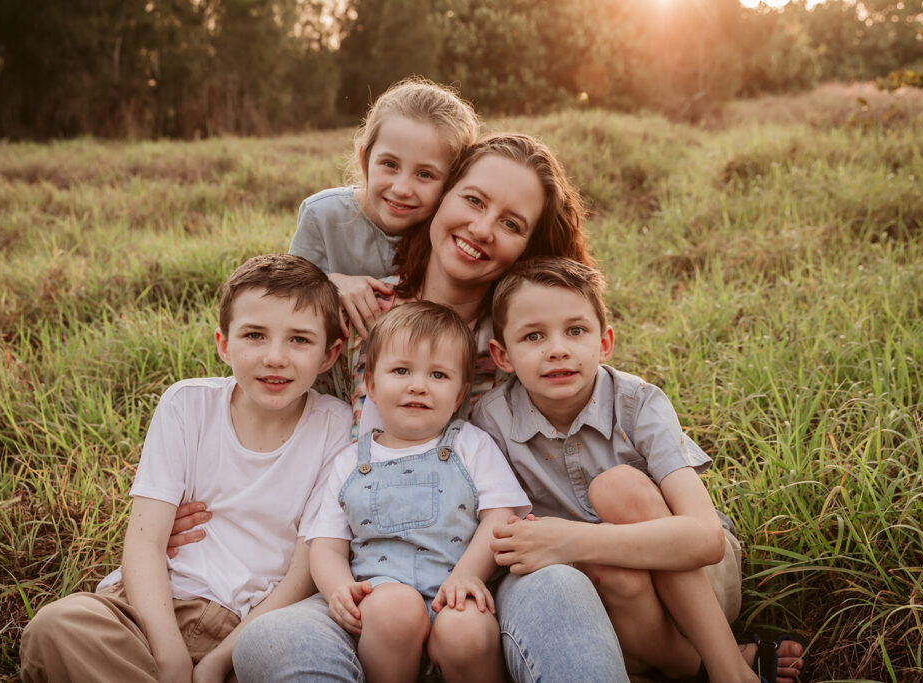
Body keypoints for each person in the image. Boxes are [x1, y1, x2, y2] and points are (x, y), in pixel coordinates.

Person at [223, 133, 629, 682]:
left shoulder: (527, 338)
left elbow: (592, 431)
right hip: (371, 571)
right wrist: (326, 283)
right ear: (441, 198)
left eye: (511, 224)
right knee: (272, 641)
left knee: (559, 590)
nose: (483, 229)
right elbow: (266, 362)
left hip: (491, 570)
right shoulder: (358, 307)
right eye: (474, 201)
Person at [471, 256, 808, 683]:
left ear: (604, 342)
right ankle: (695, 666)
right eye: (533, 335)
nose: (557, 348)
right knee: (604, 571)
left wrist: (572, 539)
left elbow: (704, 541)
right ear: (502, 355)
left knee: (620, 488)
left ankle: (728, 670)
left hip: (697, 581)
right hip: (607, 601)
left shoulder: (638, 402)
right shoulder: (491, 422)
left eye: (575, 331)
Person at [19, 254, 353, 683]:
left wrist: (217, 662)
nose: (275, 357)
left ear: (330, 354)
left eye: (299, 340)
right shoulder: (186, 404)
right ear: (224, 344)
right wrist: (171, 657)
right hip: (151, 608)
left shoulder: (337, 427)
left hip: (251, 625)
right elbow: (144, 543)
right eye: (254, 335)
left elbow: (304, 573)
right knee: (57, 627)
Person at [308, 302, 531, 682]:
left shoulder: (470, 445)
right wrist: (339, 589)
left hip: (455, 589)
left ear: (460, 394)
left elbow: (500, 515)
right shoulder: (350, 461)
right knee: (395, 609)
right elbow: (325, 544)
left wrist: (467, 576)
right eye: (401, 371)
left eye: (438, 375)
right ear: (373, 386)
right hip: (380, 605)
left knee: (469, 630)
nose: (418, 385)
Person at [289, 77, 479, 338]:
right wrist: (330, 284)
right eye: (389, 164)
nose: (401, 188)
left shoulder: (447, 233)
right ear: (365, 160)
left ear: (451, 183)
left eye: (425, 174)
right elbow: (287, 296)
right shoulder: (322, 214)